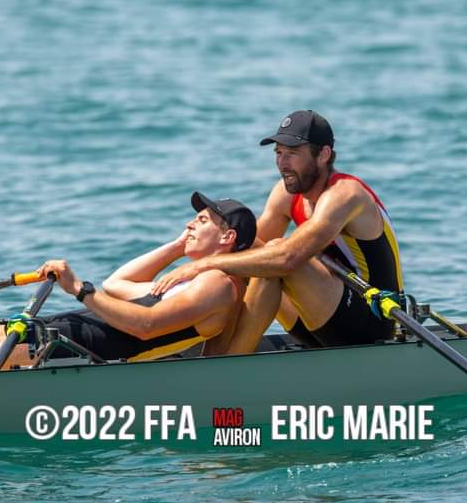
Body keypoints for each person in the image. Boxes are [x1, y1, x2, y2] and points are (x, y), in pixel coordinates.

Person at [0, 193, 256, 375]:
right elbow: (117, 283)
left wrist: (79, 288)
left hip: (91, 347)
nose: (190, 224)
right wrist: (178, 247)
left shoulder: (218, 285)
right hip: (77, 327)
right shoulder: (187, 278)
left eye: (202, 221)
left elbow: (145, 326)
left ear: (227, 238)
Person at [150, 110, 403, 353]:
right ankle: (207, 350)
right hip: (320, 318)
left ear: (323, 154)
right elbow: (242, 247)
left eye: (292, 153)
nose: (282, 163)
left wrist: (200, 266)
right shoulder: (285, 194)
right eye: (278, 153)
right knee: (241, 255)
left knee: (274, 255)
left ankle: (230, 367)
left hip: (373, 324)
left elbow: (287, 259)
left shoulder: (345, 195)